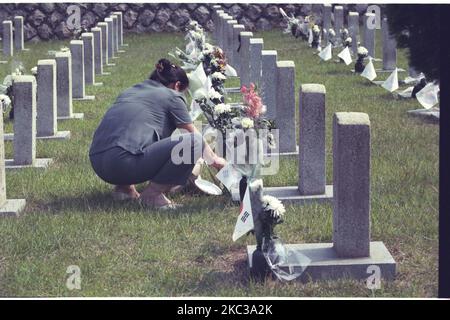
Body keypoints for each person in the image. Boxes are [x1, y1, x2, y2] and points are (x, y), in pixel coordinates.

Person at [89, 59, 226, 209]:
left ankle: (124, 188)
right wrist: (215, 160)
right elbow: (192, 133)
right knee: (194, 142)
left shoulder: (131, 90)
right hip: (123, 164)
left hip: (98, 162)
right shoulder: (173, 95)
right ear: (177, 85)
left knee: (131, 134)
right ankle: (152, 195)